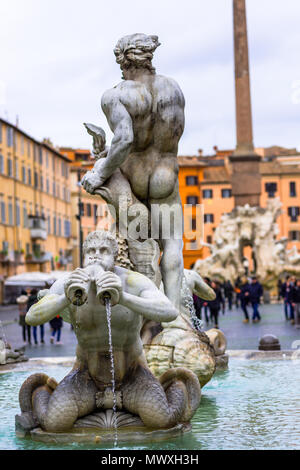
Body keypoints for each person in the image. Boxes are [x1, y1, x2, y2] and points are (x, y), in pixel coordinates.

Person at [22, 231, 200, 432]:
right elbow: (32, 317)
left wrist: (123, 297)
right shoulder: (68, 282)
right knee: (55, 423)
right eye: (90, 251)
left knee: (160, 419)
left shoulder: (133, 281)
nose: (96, 256)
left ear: (115, 256)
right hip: (86, 376)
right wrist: (66, 297)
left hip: (132, 374)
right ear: (84, 255)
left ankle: (175, 386)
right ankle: (42, 390)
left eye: (103, 250)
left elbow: (169, 311)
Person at [81, 34, 186, 312]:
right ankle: (173, 317)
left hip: (133, 174)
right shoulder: (173, 89)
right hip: (165, 173)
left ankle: (137, 314)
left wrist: (99, 171)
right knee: (173, 244)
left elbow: (124, 139)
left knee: (135, 244)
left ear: (122, 59)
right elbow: (175, 133)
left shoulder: (115, 95)